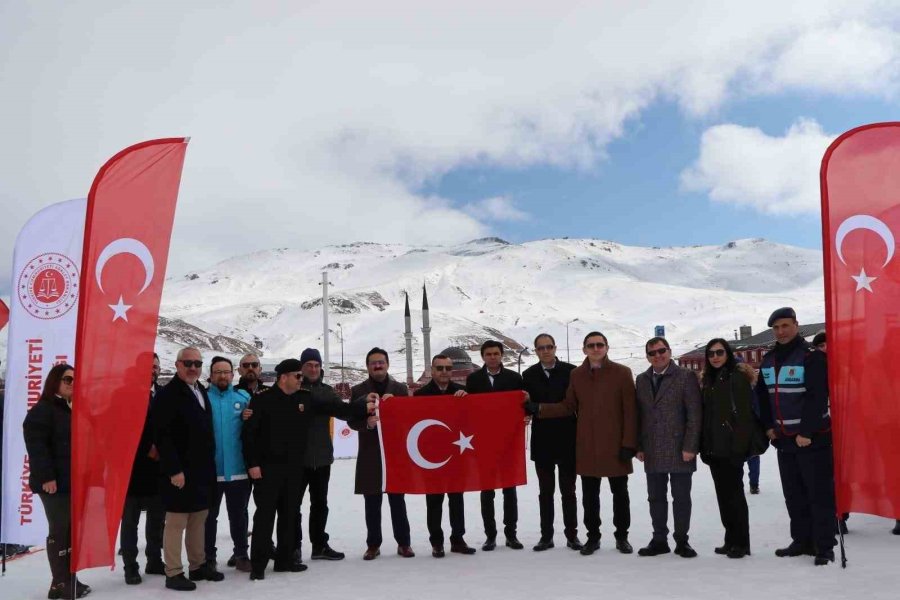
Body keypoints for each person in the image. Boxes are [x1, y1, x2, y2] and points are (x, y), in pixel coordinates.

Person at [242, 359, 370, 580]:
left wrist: (363, 404)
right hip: (267, 470)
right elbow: (249, 436)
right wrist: (252, 464)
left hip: (294, 469)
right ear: (284, 377)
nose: (302, 380)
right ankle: (259, 566)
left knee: (289, 515)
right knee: (264, 517)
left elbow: (338, 409)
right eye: (298, 376)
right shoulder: (262, 400)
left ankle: (285, 561)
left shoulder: (305, 399)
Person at [526, 331, 637, 555]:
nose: (595, 349)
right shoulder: (576, 375)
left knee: (620, 494)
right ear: (584, 349)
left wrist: (629, 443)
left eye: (599, 345)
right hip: (587, 445)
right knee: (589, 495)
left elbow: (631, 412)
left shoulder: (622, 373)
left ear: (607, 347)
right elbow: (568, 406)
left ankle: (621, 536)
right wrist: (539, 409)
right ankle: (592, 537)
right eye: (591, 345)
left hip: (615, 445)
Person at [757, 307, 836, 566]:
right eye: (776, 327)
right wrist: (769, 426)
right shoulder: (768, 360)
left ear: (796, 325)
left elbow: (817, 397)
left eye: (785, 326)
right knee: (794, 494)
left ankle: (824, 545)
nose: (780, 331)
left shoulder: (811, 357)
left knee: (818, 494)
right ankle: (801, 540)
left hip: (812, 440)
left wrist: (806, 432)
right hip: (784, 439)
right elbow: (762, 397)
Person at [154, 347, 223, 591]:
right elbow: (162, 436)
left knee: (198, 519)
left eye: (197, 363)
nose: (193, 367)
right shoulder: (168, 394)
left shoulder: (200, 389)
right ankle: (173, 572)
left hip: (202, 470)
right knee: (176, 522)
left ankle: (198, 566)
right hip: (179, 472)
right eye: (188, 363)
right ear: (177, 365)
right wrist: (174, 470)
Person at [23, 364, 91, 599]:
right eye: (67, 379)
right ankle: (62, 582)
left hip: (72, 481)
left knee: (71, 531)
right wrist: (47, 478)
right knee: (60, 531)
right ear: (55, 381)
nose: (72, 383)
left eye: (75, 379)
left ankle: (64, 581)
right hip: (54, 484)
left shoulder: (70, 409)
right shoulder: (43, 410)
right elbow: (36, 446)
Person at [635, 336, 702, 558]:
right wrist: (639, 445)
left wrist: (690, 446)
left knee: (681, 497)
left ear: (669, 351)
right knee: (655, 497)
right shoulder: (642, 379)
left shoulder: (685, 376)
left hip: (680, 448)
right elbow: (640, 415)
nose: (658, 355)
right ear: (647, 356)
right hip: (653, 448)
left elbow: (694, 414)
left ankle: (682, 541)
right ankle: (659, 539)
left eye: (661, 350)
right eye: (652, 353)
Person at [348, 348, 412, 560]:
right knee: (372, 502)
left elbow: (410, 420)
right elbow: (351, 420)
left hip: (394, 453)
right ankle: (373, 544)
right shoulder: (358, 391)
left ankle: (404, 543)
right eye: (373, 363)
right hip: (370, 452)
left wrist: (397, 407)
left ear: (387, 364)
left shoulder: (400, 389)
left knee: (397, 500)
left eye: (381, 362)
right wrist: (366, 423)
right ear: (367, 366)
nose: (378, 366)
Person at [521, 334, 581, 552]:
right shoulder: (528, 375)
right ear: (536, 351)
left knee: (569, 491)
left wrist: (538, 407)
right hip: (543, 441)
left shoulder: (571, 371)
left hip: (567, 439)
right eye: (540, 348)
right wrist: (532, 406)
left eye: (549, 347)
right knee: (545, 492)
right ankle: (546, 536)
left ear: (555, 348)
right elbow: (525, 405)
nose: (545, 351)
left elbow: (574, 403)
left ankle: (572, 535)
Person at [414, 354, 477, 558]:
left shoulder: (461, 393)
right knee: (434, 501)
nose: (443, 372)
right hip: (432, 457)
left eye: (447, 368)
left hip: (456, 453)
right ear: (432, 370)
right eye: (439, 368)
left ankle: (458, 539)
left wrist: (465, 401)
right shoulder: (421, 395)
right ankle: (437, 542)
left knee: (456, 499)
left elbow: (472, 419)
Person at [699, 339, 758, 559]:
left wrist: (739, 450)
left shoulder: (737, 377)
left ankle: (742, 543)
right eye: (711, 353)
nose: (715, 357)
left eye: (719, 352)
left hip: (732, 449)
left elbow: (744, 418)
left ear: (728, 354)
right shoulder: (708, 379)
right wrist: (704, 446)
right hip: (714, 449)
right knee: (723, 497)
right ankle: (730, 539)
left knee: (734, 497)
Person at [466, 340, 526, 551]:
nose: (492, 357)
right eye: (489, 354)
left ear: (501, 355)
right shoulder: (473, 380)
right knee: (487, 491)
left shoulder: (514, 378)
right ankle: (490, 535)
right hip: (483, 443)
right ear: (482, 356)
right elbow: (468, 409)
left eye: (496, 353)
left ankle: (511, 534)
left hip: (508, 441)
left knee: (510, 490)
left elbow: (522, 406)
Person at [295, 348, 345, 562]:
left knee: (320, 504)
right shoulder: (293, 390)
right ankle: (293, 546)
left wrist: (364, 407)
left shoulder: (327, 392)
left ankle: (319, 545)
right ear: (302, 367)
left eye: (316, 365)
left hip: (322, 458)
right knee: (292, 505)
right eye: (309, 365)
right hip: (297, 460)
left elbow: (345, 411)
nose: (313, 369)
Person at [120, 353, 166, 584]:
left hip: (158, 470)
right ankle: (130, 565)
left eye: (156, 367)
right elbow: (119, 431)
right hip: (132, 469)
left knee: (157, 519)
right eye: (149, 366)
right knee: (130, 521)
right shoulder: (123, 393)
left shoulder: (162, 394)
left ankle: (154, 560)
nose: (153, 370)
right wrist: (146, 448)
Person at [204, 357, 253, 573]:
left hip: (239, 470)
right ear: (211, 375)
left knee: (239, 515)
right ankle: (208, 557)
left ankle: (241, 554)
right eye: (218, 372)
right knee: (208, 518)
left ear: (233, 375)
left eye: (226, 372)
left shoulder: (243, 398)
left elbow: (255, 429)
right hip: (210, 471)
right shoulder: (203, 399)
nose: (222, 376)